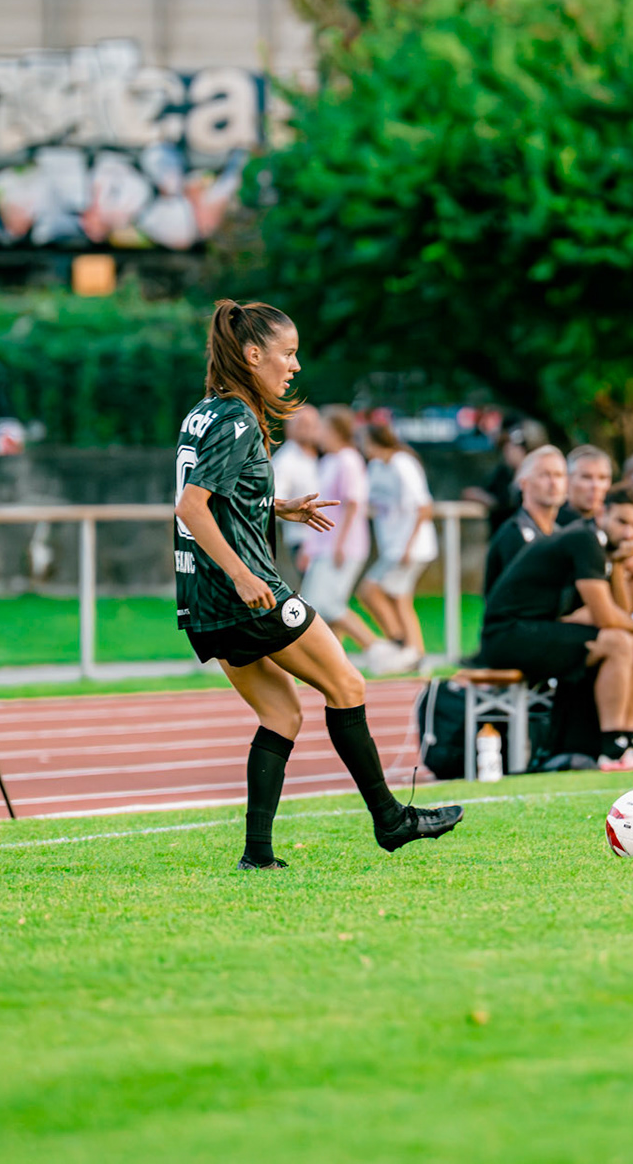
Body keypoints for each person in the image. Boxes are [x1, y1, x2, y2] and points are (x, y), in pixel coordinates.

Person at [172, 299, 461, 870]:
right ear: (253, 355)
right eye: (288, 353)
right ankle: (391, 820)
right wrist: (243, 572)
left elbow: (215, 495)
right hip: (245, 593)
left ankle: (258, 855)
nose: (295, 366)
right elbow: (191, 506)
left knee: (282, 715)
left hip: (200, 599)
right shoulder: (236, 419)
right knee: (347, 685)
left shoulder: (204, 411)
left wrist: (274, 506)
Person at [480, 486, 633, 766]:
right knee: (621, 643)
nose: (629, 533)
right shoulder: (584, 539)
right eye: (623, 522)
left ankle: (629, 742)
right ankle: (613, 748)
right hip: (507, 634)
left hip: (535, 629)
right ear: (602, 513)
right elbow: (606, 616)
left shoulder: (599, 545)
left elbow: (618, 612)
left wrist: (620, 564)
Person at [302, 406, 405, 671]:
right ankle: (335, 663)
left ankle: (376, 647)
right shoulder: (327, 461)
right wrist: (310, 545)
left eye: (322, 428)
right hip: (324, 544)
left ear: (335, 430)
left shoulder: (349, 460)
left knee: (326, 603)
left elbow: (353, 504)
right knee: (321, 605)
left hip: (342, 545)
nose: (318, 434)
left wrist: (339, 543)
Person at [358, 422, 439, 667]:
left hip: (409, 546)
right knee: (400, 597)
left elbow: (424, 507)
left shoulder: (402, 463)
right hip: (392, 545)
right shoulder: (375, 467)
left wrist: (408, 544)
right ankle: (414, 651)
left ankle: (399, 642)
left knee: (369, 590)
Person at [483, 444, 567, 596]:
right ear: (524, 483)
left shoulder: (560, 534)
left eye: (559, 475)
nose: (553, 483)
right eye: (544, 475)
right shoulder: (513, 535)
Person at [465, 420, 544, 537]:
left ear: (524, 448)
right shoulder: (504, 473)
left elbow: (511, 505)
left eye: (510, 447)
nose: (506, 452)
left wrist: (493, 502)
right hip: (502, 537)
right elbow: (473, 492)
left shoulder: (541, 476)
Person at [270, 404, 322, 561]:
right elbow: (274, 502)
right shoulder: (285, 461)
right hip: (303, 540)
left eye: (313, 424)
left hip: (326, 541)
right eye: (302, 425)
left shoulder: (321, 455)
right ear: (288, 428)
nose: (309, 429)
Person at [556, 444, 613, 525]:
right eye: (586, 477)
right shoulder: (551, 524)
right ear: (567, 479)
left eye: (602, 478)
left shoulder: (617, 525)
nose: (595, 485)